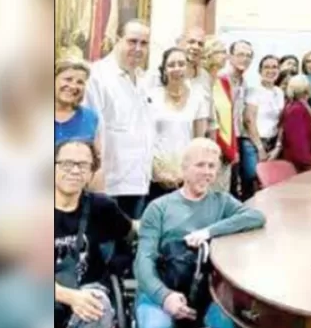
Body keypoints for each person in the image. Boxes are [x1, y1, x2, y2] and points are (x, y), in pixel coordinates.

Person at [134, 138, 265, 328]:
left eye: (212, 166)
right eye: (200, 165)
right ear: (184, 169)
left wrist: (209, 231)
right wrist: (164, 296)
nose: (207, 172)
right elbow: (142, 263)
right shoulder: (159, 208)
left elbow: (256, 217)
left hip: (208, 291)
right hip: (164, 285)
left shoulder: (222, 202)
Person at [54, 139, 134, 328]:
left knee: (98, 305)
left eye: (83, 165)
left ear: (91, 172)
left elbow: (129, 234)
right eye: (66, 163)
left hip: (88, 290)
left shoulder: (102, 207)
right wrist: (67, 296)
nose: (74, 171)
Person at [83, 19, 153, 219]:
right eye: (132, 41)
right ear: (117, 40)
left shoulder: (143, 78)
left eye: (144, 43)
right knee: (106, 248)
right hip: (109, 183)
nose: (138, 48)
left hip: (139, 181)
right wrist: (96, 176)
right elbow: (92, 129)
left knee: (131, 247)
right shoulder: (97, 76)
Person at [148, 47, 210, 202]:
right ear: (164, 70)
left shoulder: (199, 98)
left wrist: (188, 173)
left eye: (181, 64)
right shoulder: (151, 97)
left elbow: (199, 142)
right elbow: (144, 138)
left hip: (185, 174)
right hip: (155, 174)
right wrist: (157, 171)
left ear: (188, 68)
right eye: (171, 65)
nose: (176, 69)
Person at [242, 55, 284, 200]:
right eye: (267, 67)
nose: (271, 70)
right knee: (252, 179)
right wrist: (260, 148)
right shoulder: (254, 90)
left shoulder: (279, 92)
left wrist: (278, 146)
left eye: (275, 67)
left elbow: (281, 121)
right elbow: (249, 120)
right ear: (260, 71)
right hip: (253, 143)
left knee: (268, 184)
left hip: (272, 143)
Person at [203, 37, 237, 194]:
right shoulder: (203, 80)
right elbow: (210, 118)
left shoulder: (223, 82)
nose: (226, 56)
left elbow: (229, 118)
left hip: (227, 147)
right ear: (209, 54)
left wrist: (232, 148)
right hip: (211, 146)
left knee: (222, 194)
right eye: (222, 52)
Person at [226, 40, 255, 199]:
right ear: (230, 57)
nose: (244, 59)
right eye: (240, 54)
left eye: (248, 56)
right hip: (223, 138)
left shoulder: (244, 82)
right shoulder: (222, 78)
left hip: (237, 136)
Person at [54, 58, 101, 154]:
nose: (73, 86)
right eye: (68, 79)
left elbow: (97, 160)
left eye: (80, 82)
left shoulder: (90, 118)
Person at [279, 74, 311, 173]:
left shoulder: (301, 106)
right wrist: (309, 164)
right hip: (300, 164)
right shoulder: (297, 109)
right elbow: (299, 141)